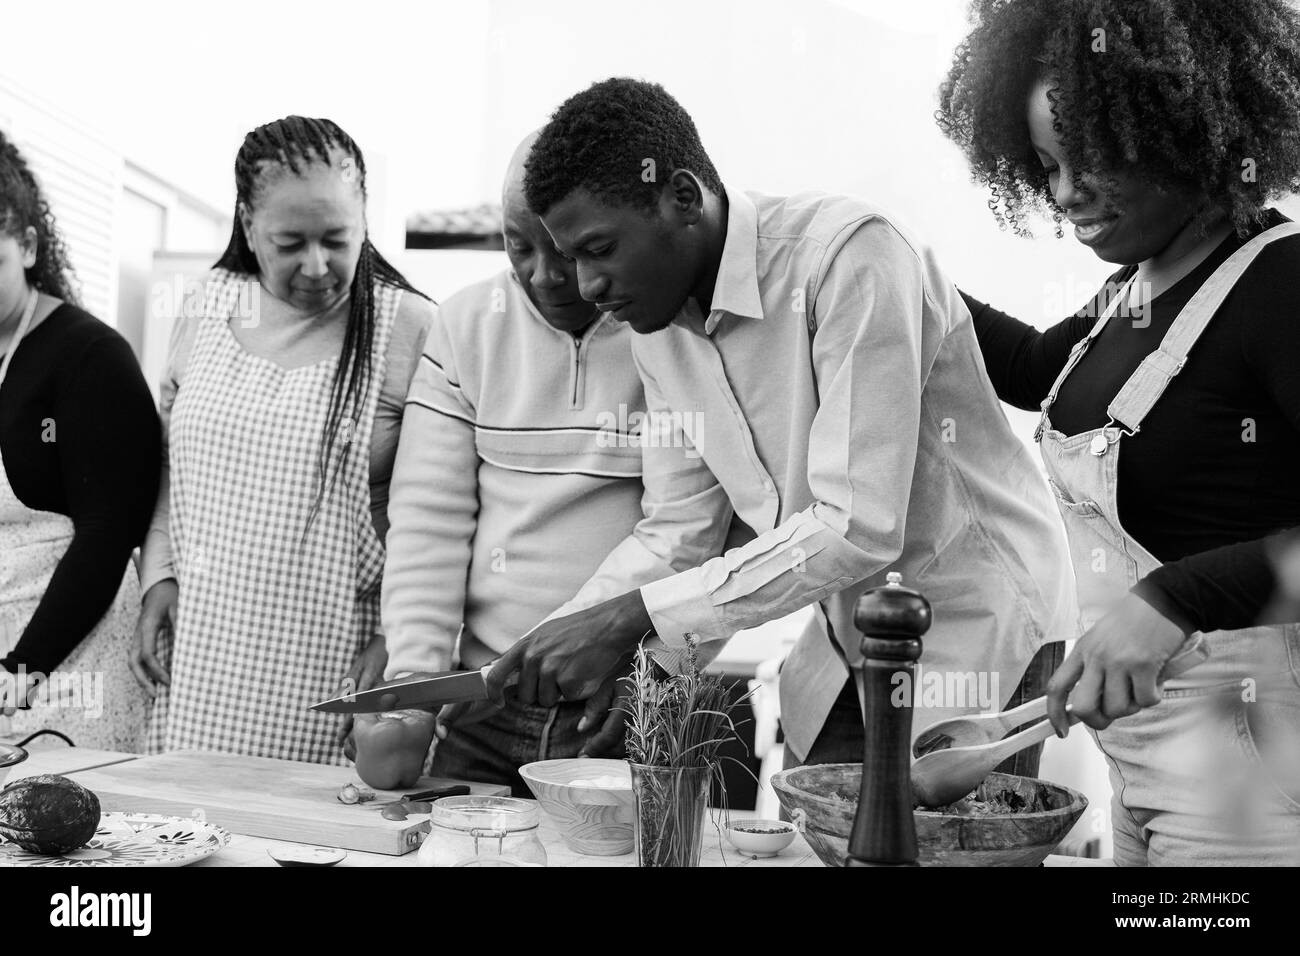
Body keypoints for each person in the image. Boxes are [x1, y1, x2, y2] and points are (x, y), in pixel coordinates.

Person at [486, 78, 1077, 776]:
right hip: (839, 640)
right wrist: (625, 652)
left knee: (942, 853)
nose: (584, 286)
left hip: (977, 631)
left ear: (681, 197)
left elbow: (857, 525)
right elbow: (682, 532)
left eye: (598, 249)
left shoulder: (849, 258)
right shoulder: (653, 324)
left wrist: (628, 622)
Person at [938, 0, 1300, 864]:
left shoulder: (1281, 283)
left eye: (1092, 158)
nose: (1066, 194)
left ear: (1185, 125)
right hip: (1140, 772)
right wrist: (895, 272)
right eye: (1047, 164)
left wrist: (1176, 598)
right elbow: (1032, 372)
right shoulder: (1144, 286)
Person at [132, 117, 436, 765]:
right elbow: (168, 471)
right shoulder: (207, 305)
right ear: (246, 226)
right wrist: (157, 576)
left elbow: (444, 515)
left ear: (365, 222)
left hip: (336, 662)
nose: (317, 266)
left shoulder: (408, 328)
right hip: (201, 658)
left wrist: (399, 642)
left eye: (337, 239)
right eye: (289, 242)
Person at [355, 132, 648, 794]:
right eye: (520, 246)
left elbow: (697, 523)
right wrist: (414, 683)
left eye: (568, 250)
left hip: (631, 711)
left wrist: (650, 670)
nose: (545, 274)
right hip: (481, 709)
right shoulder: (465, 326)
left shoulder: (662, 325)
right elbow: (430, 520)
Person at [0, 130, 159, 750]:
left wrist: (19, 671)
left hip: (71, 668)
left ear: (30, 246)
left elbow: (108, 535)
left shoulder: (90, 356)